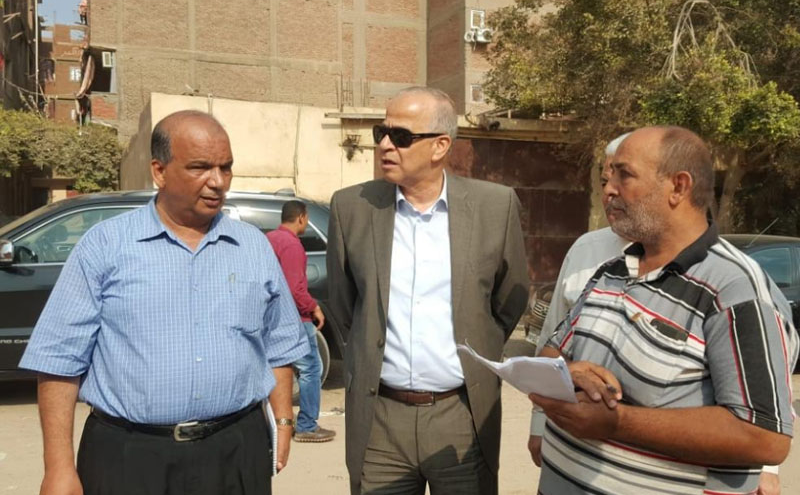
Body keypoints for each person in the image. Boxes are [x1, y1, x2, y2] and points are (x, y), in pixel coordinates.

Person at [19, 110, 309, 495]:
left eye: (225, 167)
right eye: (200, 167)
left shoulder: (253, 246)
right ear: (159, 171)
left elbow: (280, 345)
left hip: (237, 451)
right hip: (129, 457)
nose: (217, 181)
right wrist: (58, 467)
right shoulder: (105, 246)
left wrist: (284, 419)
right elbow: (59, 361)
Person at [531, 126, 798, 494]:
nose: (609, 190)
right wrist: (569, 373)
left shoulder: (735, 289)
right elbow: (551, 352)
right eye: (607, 178)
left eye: (624, 175)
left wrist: (617, 423)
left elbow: (765, 437)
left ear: (678, 187)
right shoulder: (611, 271)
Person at [326, 86, 530, 495]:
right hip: (380, 420)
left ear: (440, 146)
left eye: (400, 136)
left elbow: (509, 300)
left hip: (462, 415)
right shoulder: (352, 207)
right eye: (381, 133)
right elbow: (345, 305)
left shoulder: (495, 206)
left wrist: (476, 343)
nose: (385, 145)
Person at [267, 200, 336, 443]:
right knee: (311, 369)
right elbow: (295, 289)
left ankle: (275, 422)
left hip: (272, 317)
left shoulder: (269, 239)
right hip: (296, 319)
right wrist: (313, 307)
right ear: (301, 218)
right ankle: (307, 425)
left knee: (276, 368)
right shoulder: (292, 245)